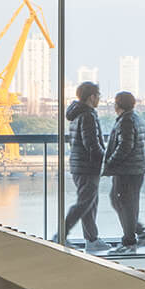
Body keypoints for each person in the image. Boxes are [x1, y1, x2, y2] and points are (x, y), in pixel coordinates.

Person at [53, 80, 106, 249]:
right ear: (92, 97)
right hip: (88, 165)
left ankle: (92, 240)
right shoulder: (88, 115)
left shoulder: (76, 115)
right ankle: (61, 235)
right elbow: (91, 143)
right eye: (98, 96)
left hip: (79, 164)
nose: (99, 99)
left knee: (89, 202)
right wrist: (104, 159)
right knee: (85, 203)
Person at [102, 91, 145, 253]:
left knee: (123, 203)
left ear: (118, 105)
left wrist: (110, 163)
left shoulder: (126, 121)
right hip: (135, 169)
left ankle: (130, 240)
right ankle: (136, 234)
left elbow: (125, 146)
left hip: (127, 170)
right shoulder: (135, 118)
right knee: (127, 203)